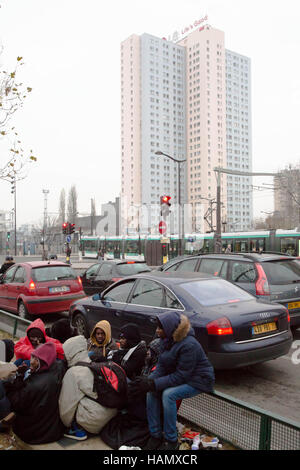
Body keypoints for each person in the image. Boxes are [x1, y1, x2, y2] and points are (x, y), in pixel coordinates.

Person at [130, 311, 215, 450]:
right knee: (151, 392)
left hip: (199, 380)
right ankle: (155, 435)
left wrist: (154, 383)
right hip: (182, 376)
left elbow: (182, 376)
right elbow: (162, 367)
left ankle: (171, 440)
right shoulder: (167, 340)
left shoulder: (189, 344)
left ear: (169, 328)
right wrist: (146, 382)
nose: (157, 331)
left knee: (169, 395)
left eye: (160, 328)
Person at [3, 342, 66, 444]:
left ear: (43, 362)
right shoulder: (58, 368)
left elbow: (15, 403)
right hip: (52, 430)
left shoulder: (34, 385)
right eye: (32, 357)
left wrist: (19, 376)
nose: (31, 362)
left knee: (3, 390)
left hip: (32, 433)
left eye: (35, 359)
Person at [59, 335, 117, 440]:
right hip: (111, 415)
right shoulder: (94, 364)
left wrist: (65, 424)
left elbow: (66, 404)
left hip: (94, 421)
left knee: (73, 400)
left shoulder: (73, 372)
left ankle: (77, 431)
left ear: (69, 353)